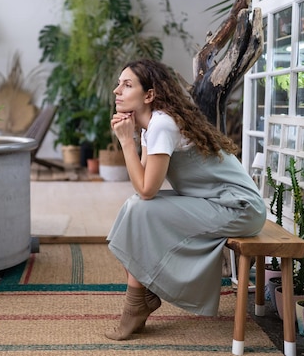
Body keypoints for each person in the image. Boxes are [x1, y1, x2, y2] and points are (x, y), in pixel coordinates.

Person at [105, 58, 266, 341]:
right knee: (135, 210)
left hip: (239, 207)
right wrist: (133, 138)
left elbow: (146, 190)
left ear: (149, 95)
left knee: (138, 207)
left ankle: (137, 302)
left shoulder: (162, 125)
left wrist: (126, 142)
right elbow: (144, 183)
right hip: (215, 202)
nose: (117, 90)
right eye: (119, 84)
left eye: (127, 84)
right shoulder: (150, 125)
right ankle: (141, 297)